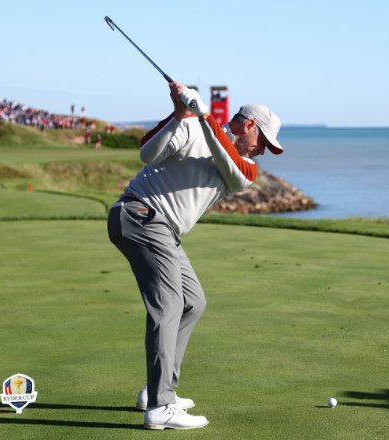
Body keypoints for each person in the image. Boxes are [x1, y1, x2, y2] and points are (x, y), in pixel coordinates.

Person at [107, 82, 283, 430]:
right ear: (249, 126)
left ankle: (157, 390)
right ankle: (160, 406)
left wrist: (204, 115)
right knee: (169, 305)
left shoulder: (244, 168)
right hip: (140, 215)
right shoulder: (189, 126)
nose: (261, 151)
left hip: (164, 230)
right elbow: (147, 153)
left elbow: (226, 158)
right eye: (262, 142)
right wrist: (179, 114)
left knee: (193, 302)